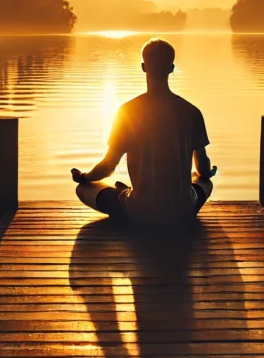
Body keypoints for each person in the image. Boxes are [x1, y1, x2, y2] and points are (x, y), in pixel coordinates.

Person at [71, 38, 216, 226]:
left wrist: (83, 177)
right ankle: (135, 195)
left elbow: (108, 167)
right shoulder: (191, 111)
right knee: (203, 181)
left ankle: (130, 196)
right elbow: (202, 168)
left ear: (143, 67)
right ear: (171, 69)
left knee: (83, 189)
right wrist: (208, 172)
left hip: (140, 213)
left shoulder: (127, 112)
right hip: (182, 211)